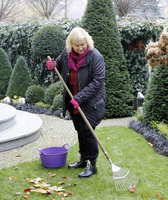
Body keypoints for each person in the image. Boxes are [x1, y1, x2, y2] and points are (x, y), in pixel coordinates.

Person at [46, 27, 106, 178]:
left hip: (90, 102)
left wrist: (79, 98)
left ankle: (92, 165)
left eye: (83, 45)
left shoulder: (95, 56)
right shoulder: (66, 54)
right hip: (72, 99)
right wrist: (52, 66)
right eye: (77, 45)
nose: (80, 48)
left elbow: (97, 81)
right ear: (70, 44)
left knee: (88, 132)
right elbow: (58, 64)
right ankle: (83, 159)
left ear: (87, 41)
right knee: (80, 129)